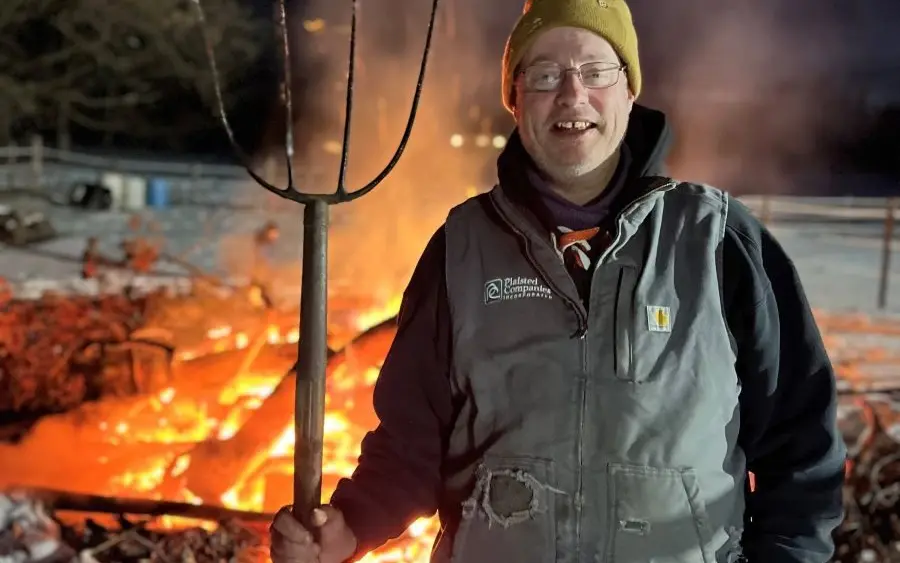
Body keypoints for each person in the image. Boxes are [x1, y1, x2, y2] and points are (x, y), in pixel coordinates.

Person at [269, 0, 847, 561]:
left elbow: (801, 449)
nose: (573, 95)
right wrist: (351, 526)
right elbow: (410, 444)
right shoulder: (462, 249)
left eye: (595, 72)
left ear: (629, 89)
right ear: (515, 99)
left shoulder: (718, 240)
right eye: (545, 75)